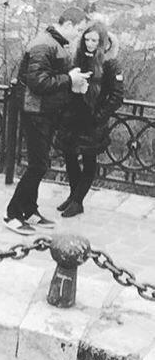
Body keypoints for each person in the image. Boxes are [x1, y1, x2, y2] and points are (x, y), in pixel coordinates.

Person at [4, 6, 90, 235]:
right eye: (78, 30)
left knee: (39, 164)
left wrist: (72, 83)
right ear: (68, 24)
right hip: (35, 112)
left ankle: (29, 210)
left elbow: (50, 79)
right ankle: (13, 213)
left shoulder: (55, 44)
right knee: (38, 165)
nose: (78, 35)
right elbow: (38, 82)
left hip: (44, 112)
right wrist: (69, 79)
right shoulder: (44, 45)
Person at [56, 22, 124, 217]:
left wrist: (99, 116)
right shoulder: (78, 58)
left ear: (102, 42)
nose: (90, 44)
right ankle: (74, 196)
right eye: (87, 39)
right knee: (69, 156)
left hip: (92, 121)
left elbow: (117, 96)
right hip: (73, 117)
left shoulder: (110, 63)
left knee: (88, 159)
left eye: (94, 40)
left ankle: (78, 201)